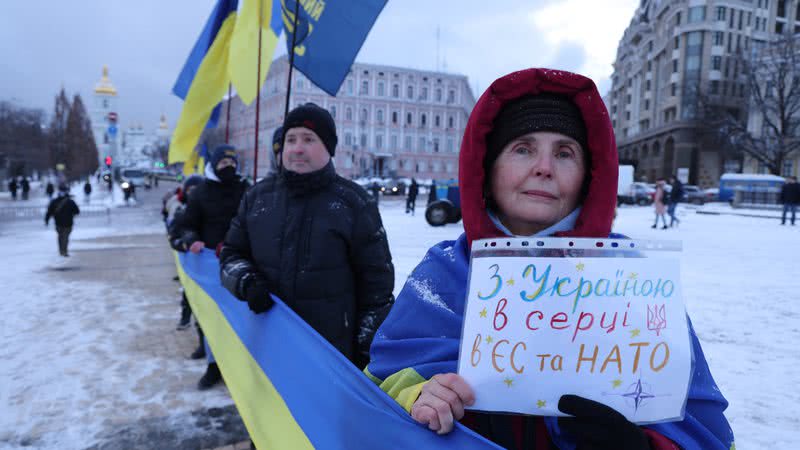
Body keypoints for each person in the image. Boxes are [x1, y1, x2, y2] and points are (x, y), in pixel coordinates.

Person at [365, 69, 734, 450]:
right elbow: (369, 397)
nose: (544, 167)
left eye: (564, 153)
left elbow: (703, 428)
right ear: (487, 170)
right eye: (523, 148)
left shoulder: (633, 281)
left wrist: (644, 446)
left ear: (589, 177)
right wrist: (419, 398)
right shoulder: (443, 272)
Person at [219, 102, 395, 371]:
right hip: (267, 343)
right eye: (291, 139)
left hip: (330, 356)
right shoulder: (257, 198)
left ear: (328, 147)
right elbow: (231, 255)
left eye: (308, 139)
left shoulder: (354, 203)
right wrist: (247, 281)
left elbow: (377, 292)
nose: (297, 148)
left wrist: (364, 355)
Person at [171, 145, 249, 389]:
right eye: (223, 163)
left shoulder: (247, 190)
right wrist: (191, 240)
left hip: (242, 266)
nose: (229, 167)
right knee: (213, 320)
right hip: (212, 268)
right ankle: (214, 367)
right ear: (214, 165)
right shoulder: (201, 193)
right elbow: (184, 227)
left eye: (232, 163)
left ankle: (242, 369)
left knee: (242, 322)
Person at [167, 175, 204, 330]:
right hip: (191, 266)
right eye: (190, 190)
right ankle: (185, 319)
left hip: (208, 268)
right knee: (188, 295)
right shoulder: (181, 212)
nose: (193, 193)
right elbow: (174, 237)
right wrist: (184, 245)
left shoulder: (209, 210)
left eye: (197, 190)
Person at [45, 184, 80, 257]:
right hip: (68, 223)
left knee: (60, 236)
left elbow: (49, 212)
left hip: (58, 223)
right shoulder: (70, 201)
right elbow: (77, 211)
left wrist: (47, 220)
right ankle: (64, 251)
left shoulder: (54, 201)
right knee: (65, 237)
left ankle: (62, 250)